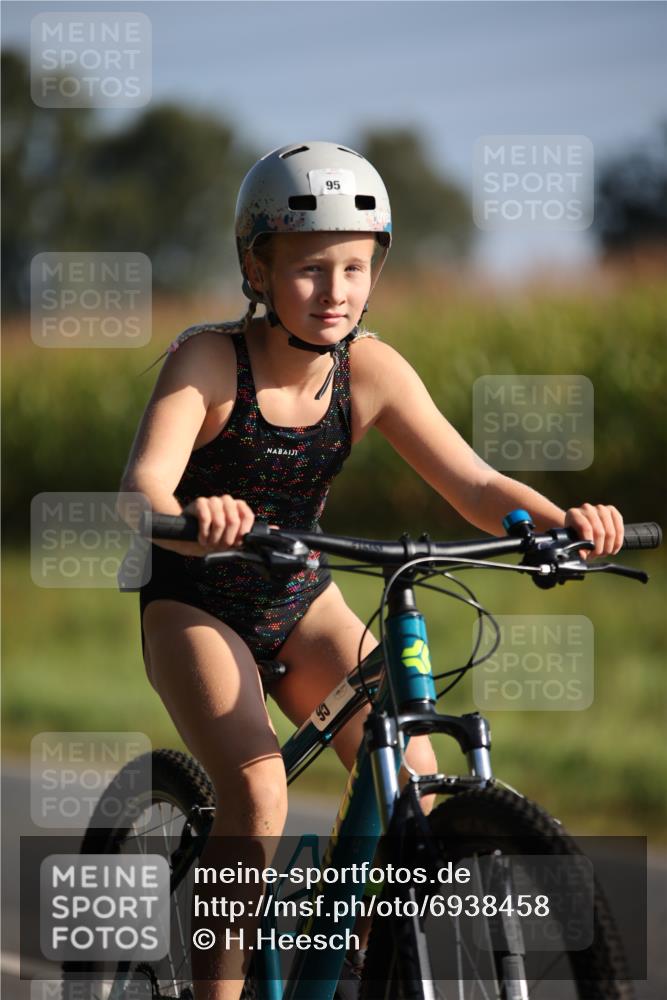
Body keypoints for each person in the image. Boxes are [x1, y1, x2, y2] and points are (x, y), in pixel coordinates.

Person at [117, 140, 624, 1000]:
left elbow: (474, 485)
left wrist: (560, 525)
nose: (337, 291)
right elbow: (141, 492)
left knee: (413, 783)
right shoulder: (207, 362)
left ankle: (353, 959)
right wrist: (195, 519)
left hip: (296, 594)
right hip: (194, 601)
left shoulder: (371, 369)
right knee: (258, 792)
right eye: (310, 269)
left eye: (355, 268)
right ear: (256, 268)